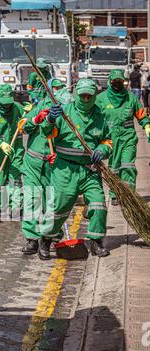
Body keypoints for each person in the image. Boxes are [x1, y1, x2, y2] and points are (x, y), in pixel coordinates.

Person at [32, 79, 114, 258]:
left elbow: (108, 140)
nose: (85, 99)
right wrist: (51, 119)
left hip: (90, 170)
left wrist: (102, 149)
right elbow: (47, 133)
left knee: (99, 204)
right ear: (76, 94)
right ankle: (45, 240)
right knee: (59, 208)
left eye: (88, 96)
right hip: (65, 170)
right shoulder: (65, 113)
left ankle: (96, 241)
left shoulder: (99, 116)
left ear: (94, 96)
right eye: (82, 95)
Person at [18, 79, 73, 260]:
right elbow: (22, 127)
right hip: (33, 163)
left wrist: (61, 156)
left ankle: (49, 238)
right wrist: (36, 119)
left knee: (52, 203)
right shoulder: (41, 106)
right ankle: (32, 239)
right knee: (32, 200)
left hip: (54, 166)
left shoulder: (70, 112)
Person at [97, 69, 150, 206]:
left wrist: (147, 126)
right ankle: (115, 194)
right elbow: (92, 117)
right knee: (114, 168)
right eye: (115, 81)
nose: (117, 84)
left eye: (120, 81)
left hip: (128, 139)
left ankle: (129, 195)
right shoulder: (101, 99)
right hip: (110, 140)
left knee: (128, 166)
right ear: (110, 82)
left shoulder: (131, 98)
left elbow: (141, 115)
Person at [0, 84, 26, 218]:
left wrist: (30, 113)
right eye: (4, 103)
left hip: (16, 149)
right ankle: (1, 206)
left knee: (15, 179)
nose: (7, 106)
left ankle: (16, 208)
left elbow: (29, 120)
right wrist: (0, 143)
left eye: (9, 103)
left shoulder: (17, 108)